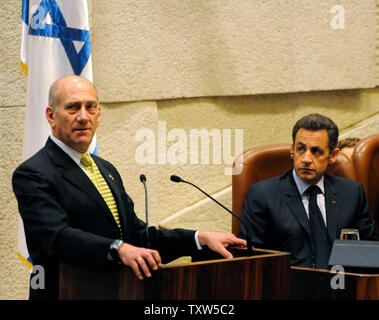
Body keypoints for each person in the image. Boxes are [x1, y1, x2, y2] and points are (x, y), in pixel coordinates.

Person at [12, 76, 246, 300]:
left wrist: (198, 238)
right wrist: (117, 248)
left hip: (118, 292)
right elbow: (57, 237)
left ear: (99, 114)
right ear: (51, 116)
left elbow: (136, 237)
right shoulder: (33, 173)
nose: (83, 116)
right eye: (73, 107)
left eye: (90, 107)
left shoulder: (105, 169)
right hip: (66, 292)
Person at [238, 113, 377, 270]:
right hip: (287, 287)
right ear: (292, 151)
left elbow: (370, 253)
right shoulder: (263, 194)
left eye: (316, 151)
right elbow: (250, 258)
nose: (306, 159)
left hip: (342, 286)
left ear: (333, 155)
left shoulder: (351, 193)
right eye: (300, 149)